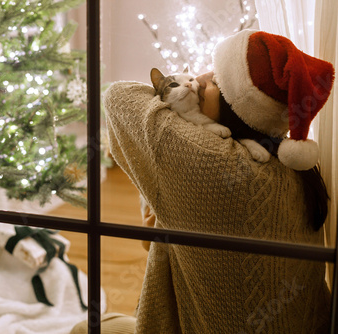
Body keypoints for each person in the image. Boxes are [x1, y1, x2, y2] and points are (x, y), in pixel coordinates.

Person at [100, 29, 334, 333]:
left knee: (90, 326)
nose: (198, 78)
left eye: (215, 81)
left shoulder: (208, 158)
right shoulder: (296, 170)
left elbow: (118, 96)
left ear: (237, 110)